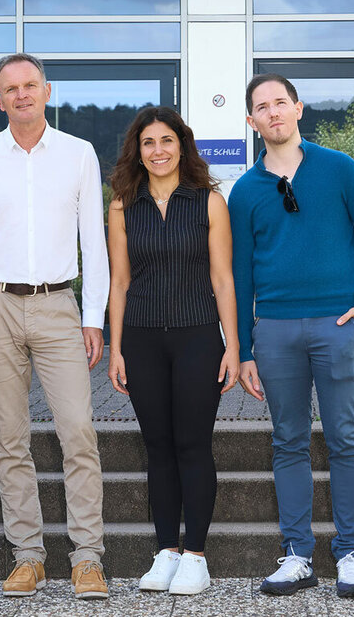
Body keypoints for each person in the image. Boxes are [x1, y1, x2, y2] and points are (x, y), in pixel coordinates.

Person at [228, 73, 354, 598]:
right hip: (274, 331)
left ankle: (350, 556)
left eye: (281, 102)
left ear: (298, 109)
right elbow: (239, 275)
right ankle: (298, 555)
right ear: (251, 121)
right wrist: (246, 349)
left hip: (337, 326)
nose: (273, 112)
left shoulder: (339, 169)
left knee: (345, 438)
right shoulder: (245, 190)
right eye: (262, 106)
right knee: (288, 441)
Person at [0, 53, 111, 600]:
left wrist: (94, 318)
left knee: (78, 432)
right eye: (10, 88)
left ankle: (87, 558)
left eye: (30, 85)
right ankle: (28, 556)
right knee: (10, 438)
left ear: (47, 91)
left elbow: (94, 241)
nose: (21, 95)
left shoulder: (79, 154)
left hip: (57, 308)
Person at [106, 106, 239, 596]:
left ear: (182, 144)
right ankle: (165, 551)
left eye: (166, 140)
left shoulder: (208, 202)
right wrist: (115, 348)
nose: (157, 150)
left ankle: (196, 556)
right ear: (136, 152)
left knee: (192, 444)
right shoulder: (123, 205)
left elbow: (223, 279)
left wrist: (233, 346)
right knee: (157, 447)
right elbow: (119, 281)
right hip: (141, 338)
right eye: (148, 143)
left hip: (198, 338)